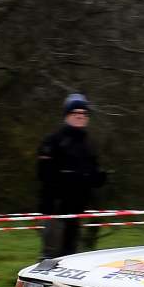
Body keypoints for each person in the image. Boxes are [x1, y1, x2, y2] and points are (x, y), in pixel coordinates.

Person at [37, 93, 107, 259]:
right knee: (51, 255)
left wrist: (97, 179)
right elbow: (43, 173)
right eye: (75, 113)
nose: (80, 116)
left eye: (84, 113)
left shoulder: (89, 145)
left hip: (77, 210)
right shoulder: (53, 141)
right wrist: (73, 177)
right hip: (55, 209)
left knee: (71, 257)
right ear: (66, 115)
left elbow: (91, 172)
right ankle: (39, 277)